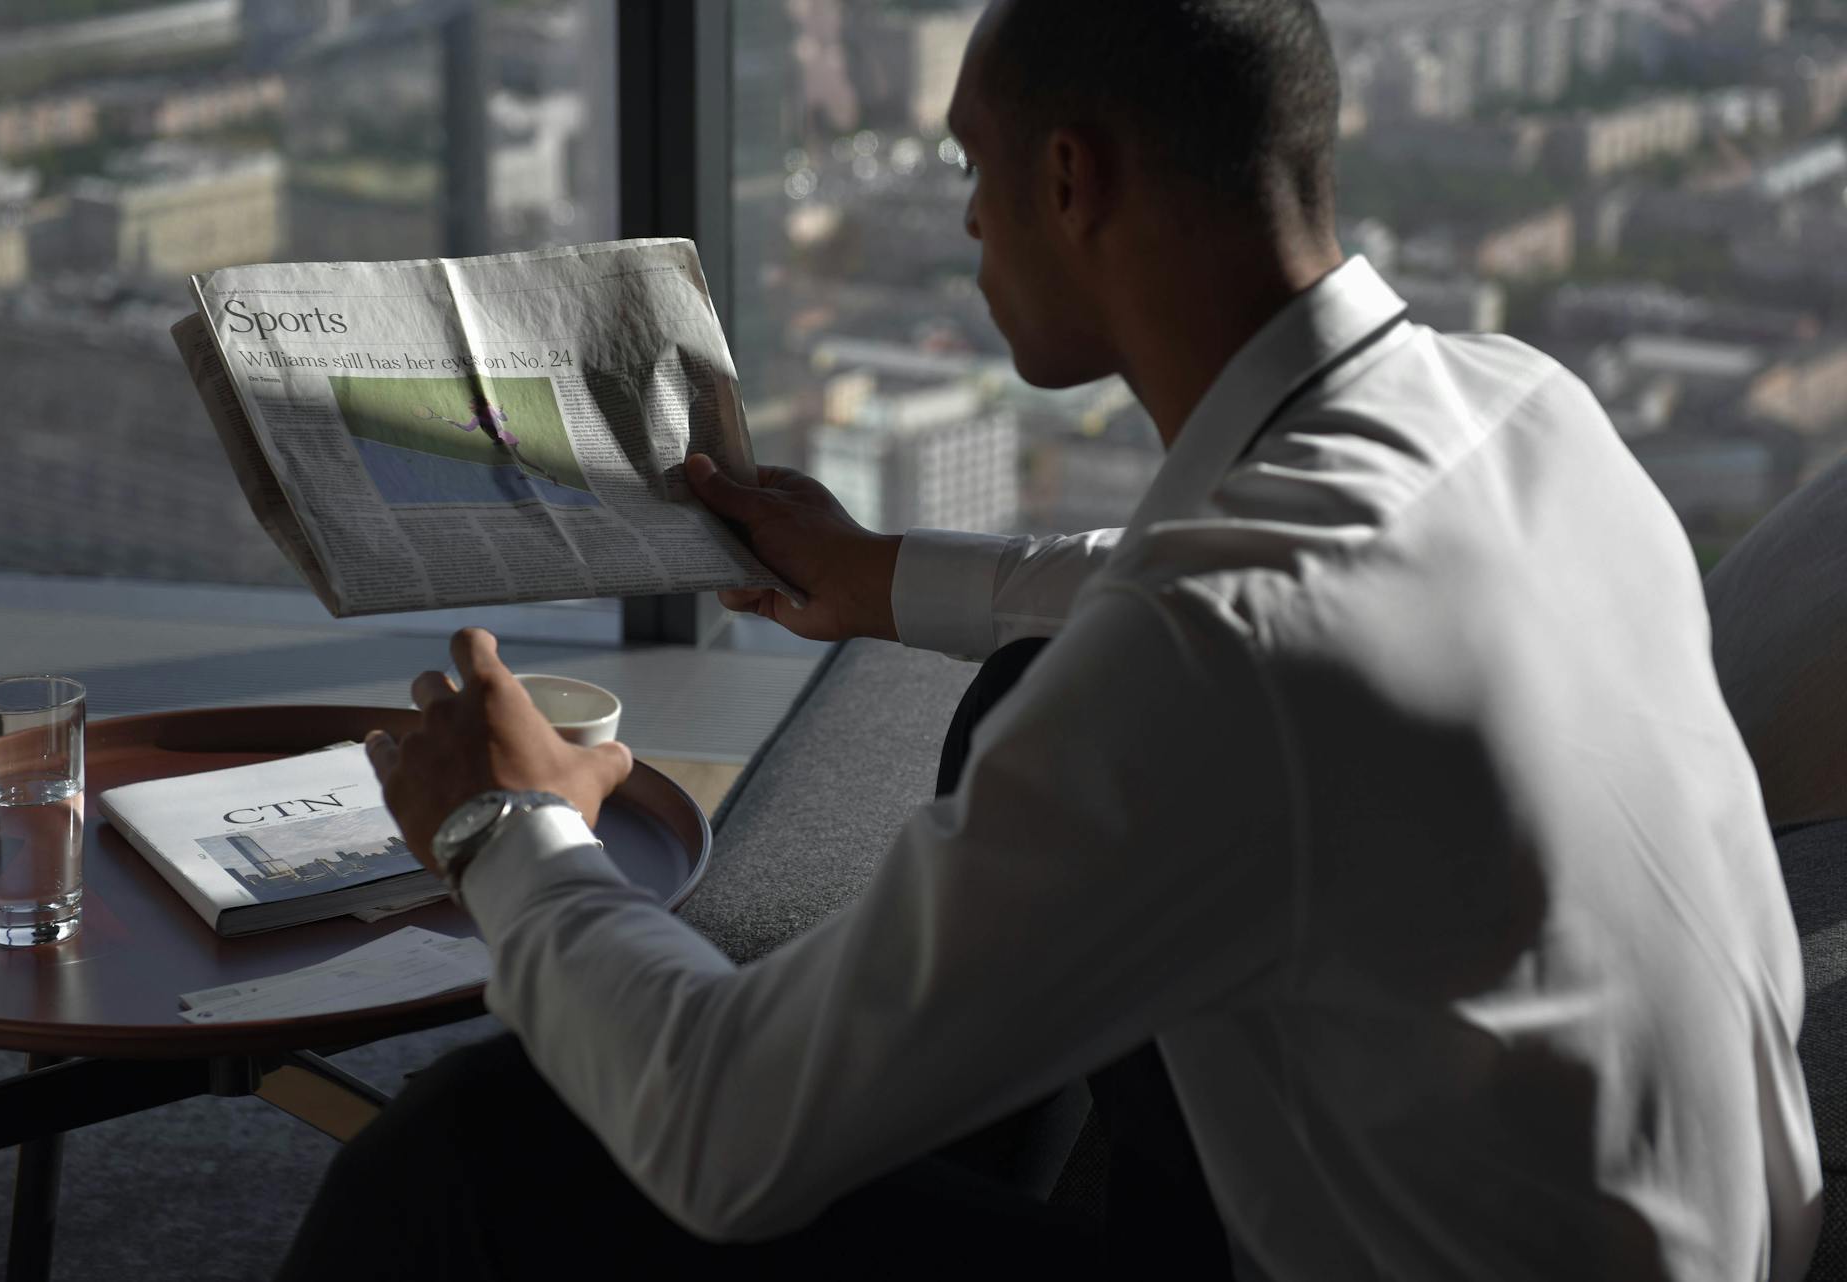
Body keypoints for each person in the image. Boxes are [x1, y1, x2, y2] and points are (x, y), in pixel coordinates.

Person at [280, 2, 1824, 1278]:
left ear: (1072, 180)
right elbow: (1193, 589)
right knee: (1026, 682)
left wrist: (506, 823)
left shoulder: (1226, 655)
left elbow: (712, 1133)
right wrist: (880, 575)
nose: (961, 217)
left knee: (488, 1141)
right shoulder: (1522, 404)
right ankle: (934, 1106)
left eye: (976, 166)